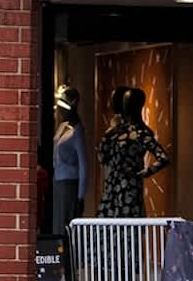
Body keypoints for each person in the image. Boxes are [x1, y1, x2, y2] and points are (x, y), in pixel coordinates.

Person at [96, 86, 170, 218]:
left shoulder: (142, 133)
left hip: (128, 189)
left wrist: (143, 173)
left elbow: (163, 158)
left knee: (127, 227)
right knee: (107, 228)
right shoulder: (117, 131)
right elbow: (102, 156)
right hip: (112, 188)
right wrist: (111, 131)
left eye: (127, 101)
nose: (124, 105)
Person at [51, 86, 86, 234]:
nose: (60, 109)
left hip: (70, 182)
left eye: (63, 105)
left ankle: (67, 254)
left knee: (66, 224)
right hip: (58, 180)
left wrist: (81, 196)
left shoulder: (77, 131)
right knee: (58, 222)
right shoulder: (63, 126)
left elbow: (83, 163)